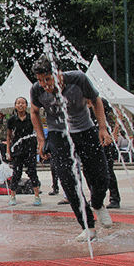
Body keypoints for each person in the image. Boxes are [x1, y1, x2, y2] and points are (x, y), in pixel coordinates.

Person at [30, 54, 113, 242]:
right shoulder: (36, 90)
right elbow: (34, 112)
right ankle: (88, 226)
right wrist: (41, 140)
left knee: (100, 176)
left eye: (48, 79)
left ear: (59, 73)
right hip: (59, 134)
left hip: (85, 130)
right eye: (41, 80)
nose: (45, 84)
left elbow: (96, 100)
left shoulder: (78, 79)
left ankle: (98, 204)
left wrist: (102, 128)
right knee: (68, 180)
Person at [6, 97, 41, 206]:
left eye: (23, 103)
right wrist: (8, 150)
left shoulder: (32, 117)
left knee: (32, 171)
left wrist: (40, 144)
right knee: (16, 172)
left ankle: (37, 196)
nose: (20, 105)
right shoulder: (11, 119)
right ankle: (12, 197)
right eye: (18, 103)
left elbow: (38, 131)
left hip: (30, 147)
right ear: (15, 105)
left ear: (26, 105)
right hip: (17, 148)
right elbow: (8, 136)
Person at [88, 98, 121, 209]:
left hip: (104, 142)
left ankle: (114, 198)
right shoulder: (82, 105)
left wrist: (115, 131)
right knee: (90, 171)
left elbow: (118, 113)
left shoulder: (99, 101)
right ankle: (96, 197)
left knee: (108, 170)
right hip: (91, 142)